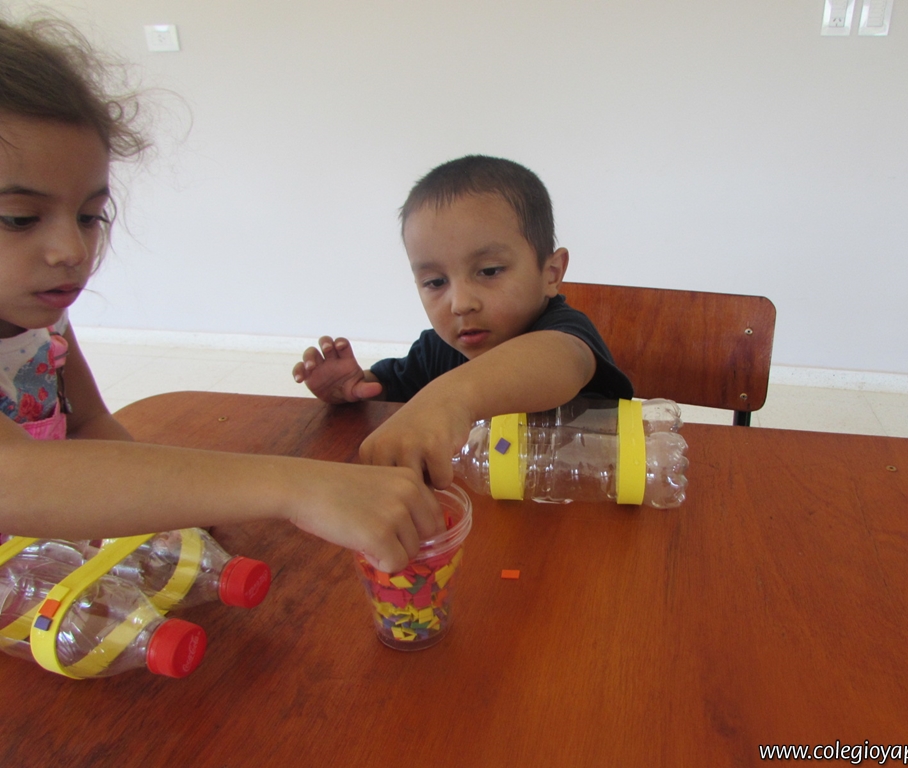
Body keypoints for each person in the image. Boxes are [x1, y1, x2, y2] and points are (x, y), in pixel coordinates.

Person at [0, 16, 442, 574]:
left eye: (90, 215)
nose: (71, 249)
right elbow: (15, 476)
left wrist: (174, 507)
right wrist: (296, 486)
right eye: (19, 218)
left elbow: (88, 428)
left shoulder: (45, 323)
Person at [294, 155, 633, 489]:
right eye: (435, 282)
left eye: (489, 271)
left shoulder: (564, 331)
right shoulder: (436, 350)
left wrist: (450, 398)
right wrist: (353, 390)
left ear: (551, 273)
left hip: (588, 497)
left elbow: (561, 359)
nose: (460, 304)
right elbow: (389, 391)